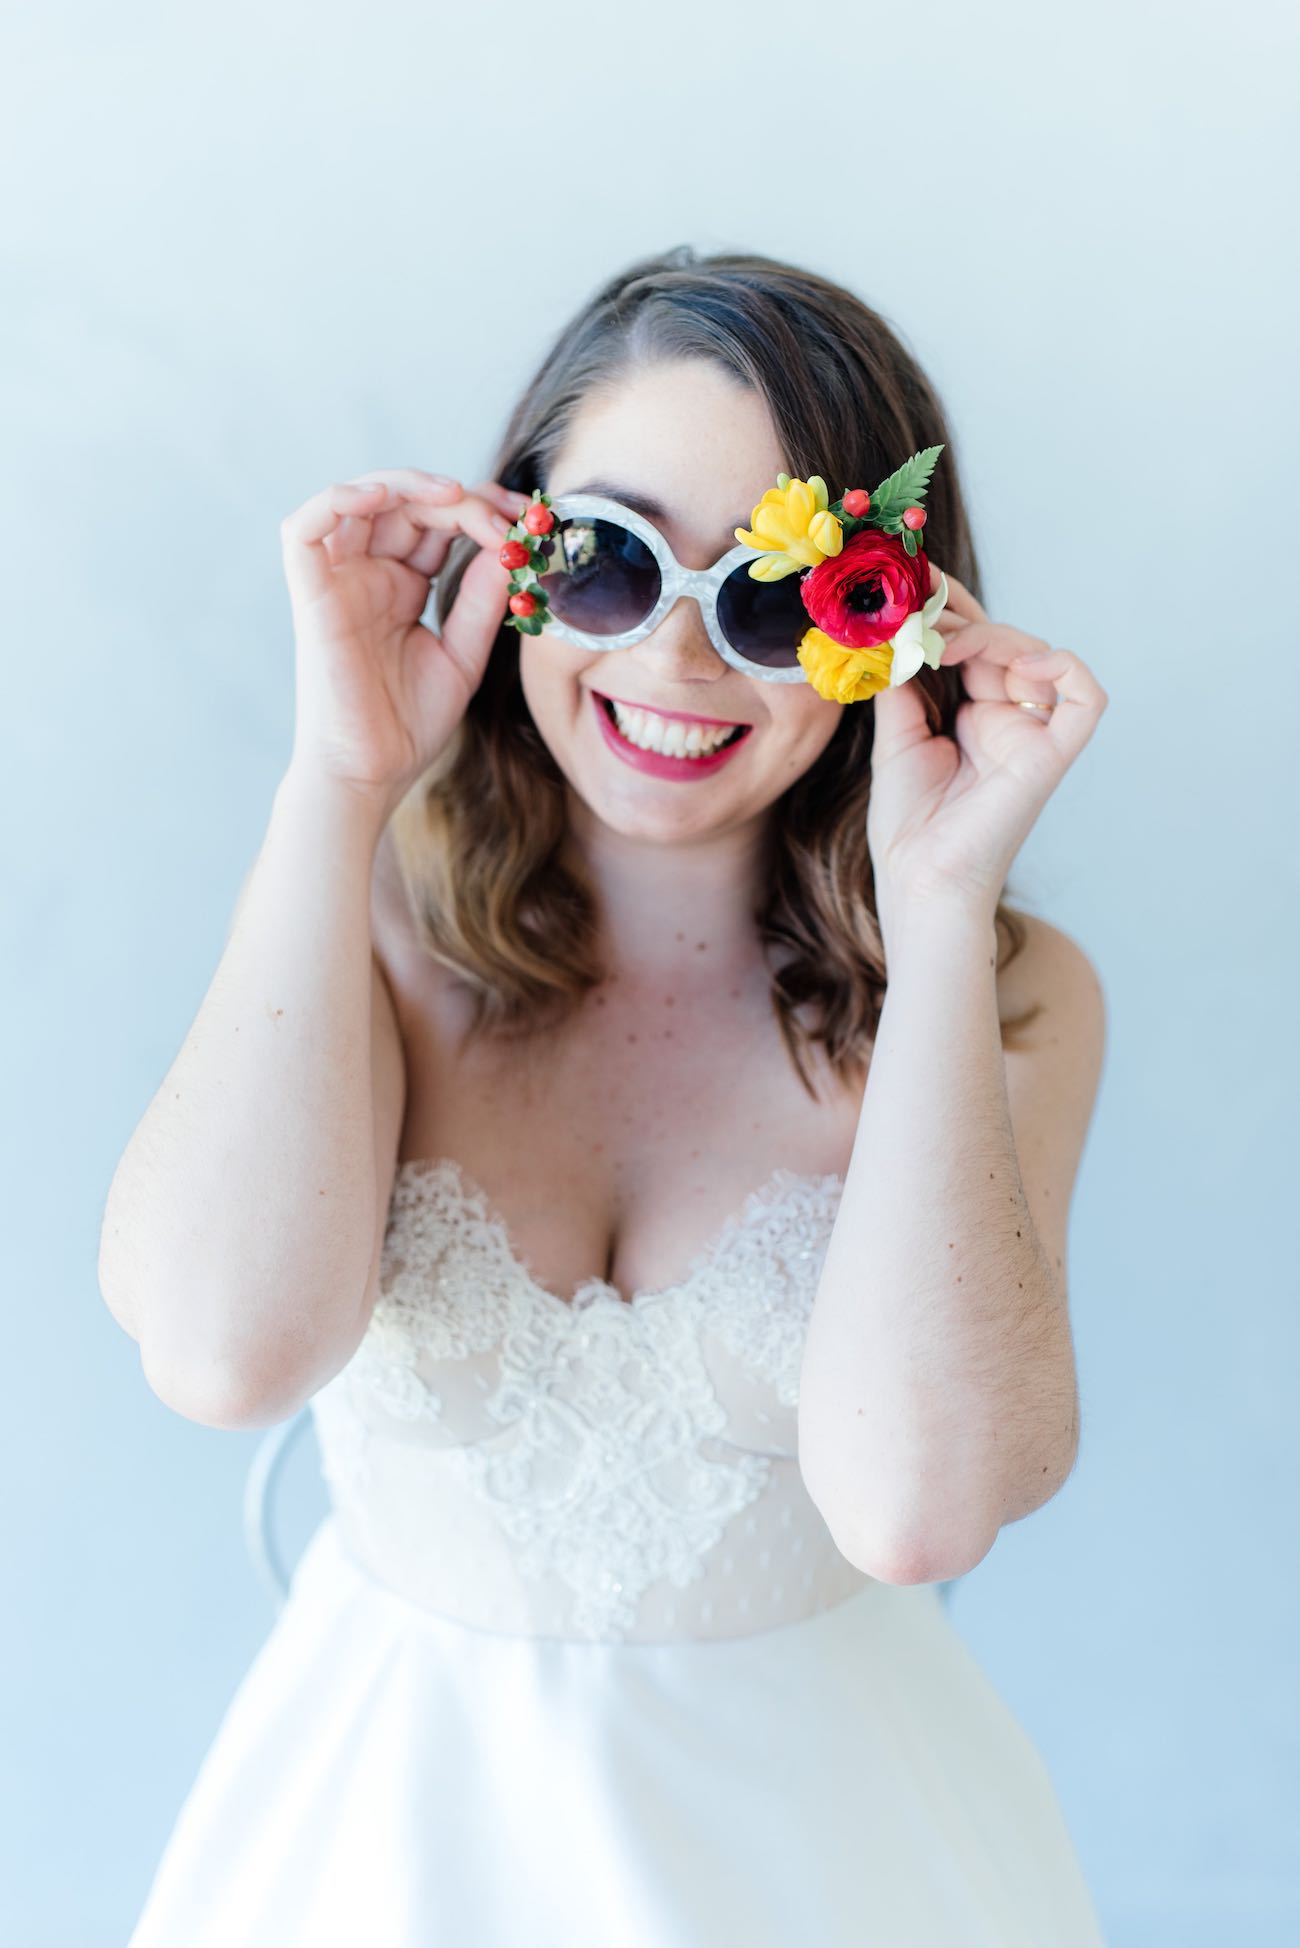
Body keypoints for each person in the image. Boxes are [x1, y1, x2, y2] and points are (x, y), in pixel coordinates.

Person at [102, 244, 1111, 1946]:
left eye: (779, 600)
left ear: (891, 625)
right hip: (379, 1851)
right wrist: (339, 782)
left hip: (830, 1870)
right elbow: (222, 1352)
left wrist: (934, 916)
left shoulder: (1008, 994)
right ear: (511, 554)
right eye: (608, 563)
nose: (677, 660)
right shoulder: (366, 916)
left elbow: (921, 1509)